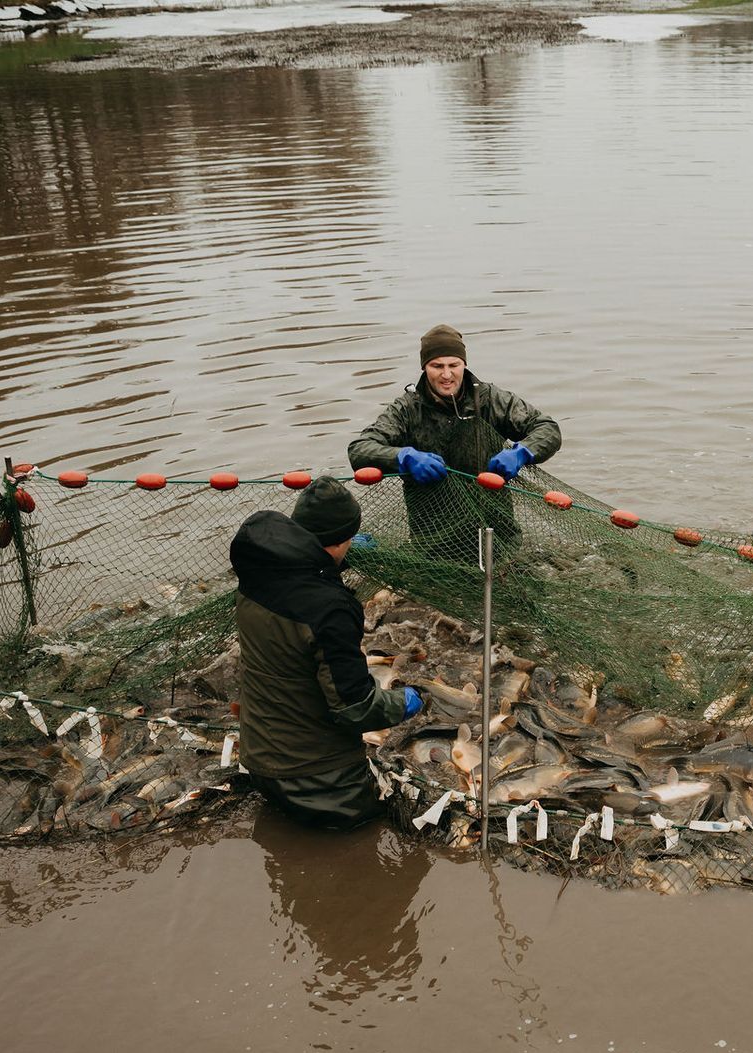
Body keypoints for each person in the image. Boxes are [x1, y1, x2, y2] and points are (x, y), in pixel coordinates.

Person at [230, 476, 423, 829]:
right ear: (340, 541)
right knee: (371, 847)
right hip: (320, 783)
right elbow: (356, 709)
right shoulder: (330, 610)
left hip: (258, 762)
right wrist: (405, 702)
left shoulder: (256, 569)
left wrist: (335, 562)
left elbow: (296, 585)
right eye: (349, 540)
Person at [348, 324, 563, 562]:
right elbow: (360, 449)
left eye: (454, 365)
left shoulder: (491, 400)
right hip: (432, 540)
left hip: (496, 533)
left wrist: (521, 453)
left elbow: (547, 428)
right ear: (424, 367)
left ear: (464, 365)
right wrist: (403, 457)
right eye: (437, 366)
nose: (447, 375)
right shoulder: (406, 410)